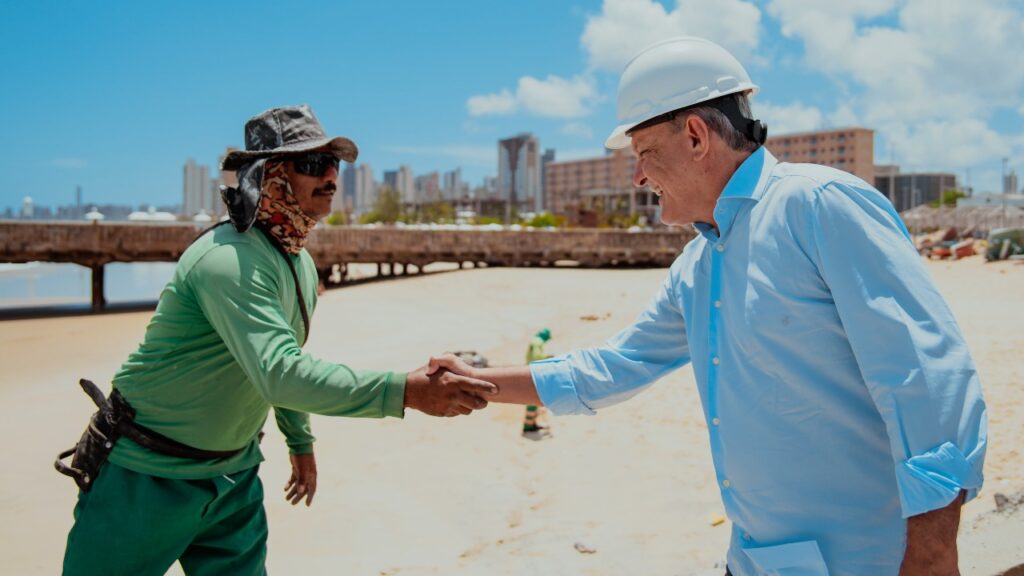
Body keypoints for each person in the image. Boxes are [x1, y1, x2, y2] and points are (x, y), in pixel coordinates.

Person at [429, 37, 987, 576]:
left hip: (865, 561)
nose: (639, 177)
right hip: (754, 561)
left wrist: (935, 556)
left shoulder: (819, 205)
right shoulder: (698, 266)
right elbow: (611, 369)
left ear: (696, 136)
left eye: (644, 154)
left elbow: (925, 378)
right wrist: (479, 381)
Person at [58, 105, 496, 576]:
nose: (329, 175)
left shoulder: (298, 262)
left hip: (233, 479)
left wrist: (300, 442)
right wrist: (407, 392)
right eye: (311, 165)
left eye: (334, 164)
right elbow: (280, 374)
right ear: (269, 177)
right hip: (145, 477)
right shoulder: (229, 260)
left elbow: (283, 360)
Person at [522, 328, 552, 435]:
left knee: (534, 400)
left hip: (530, 371)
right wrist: (548, 357)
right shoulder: (537, 342)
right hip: (534, 373)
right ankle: (528, 426)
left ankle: (531, 423)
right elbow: (536, 357)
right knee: (533, 400)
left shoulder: (534, 341)